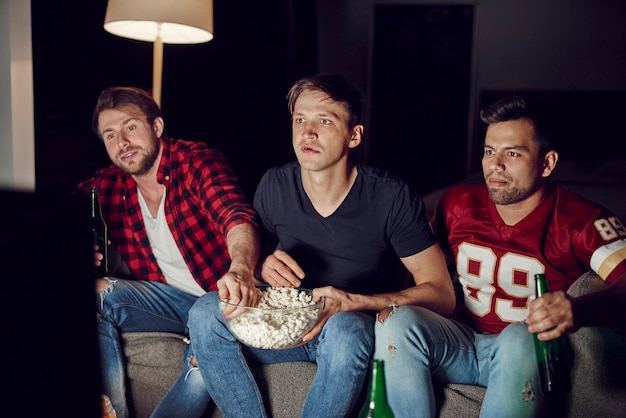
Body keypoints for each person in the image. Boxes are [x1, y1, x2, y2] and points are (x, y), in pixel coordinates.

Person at [164, 74, 455, 418]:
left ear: (354, 135)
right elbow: (260, 266)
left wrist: (357, 302)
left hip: (349, 331)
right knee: (206, 311)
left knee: (347, 329)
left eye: (325, 120)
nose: (308, 132)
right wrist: (260, 266)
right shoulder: (275, 183)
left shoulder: (390, 196)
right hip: (287, 327)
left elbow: (442, 294)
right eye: (300, 119)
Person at [374, 95, 626, 417]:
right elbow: (419, 266)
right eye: (489, 151)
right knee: (397, 319)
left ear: (547, 163)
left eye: (512, 153)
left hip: (525, 352)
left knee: (519, 335)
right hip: (458, 342)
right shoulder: (457, 203)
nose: (495, 165)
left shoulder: (579, 219)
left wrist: (577, 308)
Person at [76, 86, 260, 418]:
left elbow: (236, 216)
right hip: (167, 303)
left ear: (157, 127)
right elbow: (45, 221)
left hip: (218, 301)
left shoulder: (196, 162)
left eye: (131, 127)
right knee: (93, 295)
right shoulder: (107, 186)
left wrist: (241, 268)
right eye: (111, 135)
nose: (123, 142)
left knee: (204, 362)